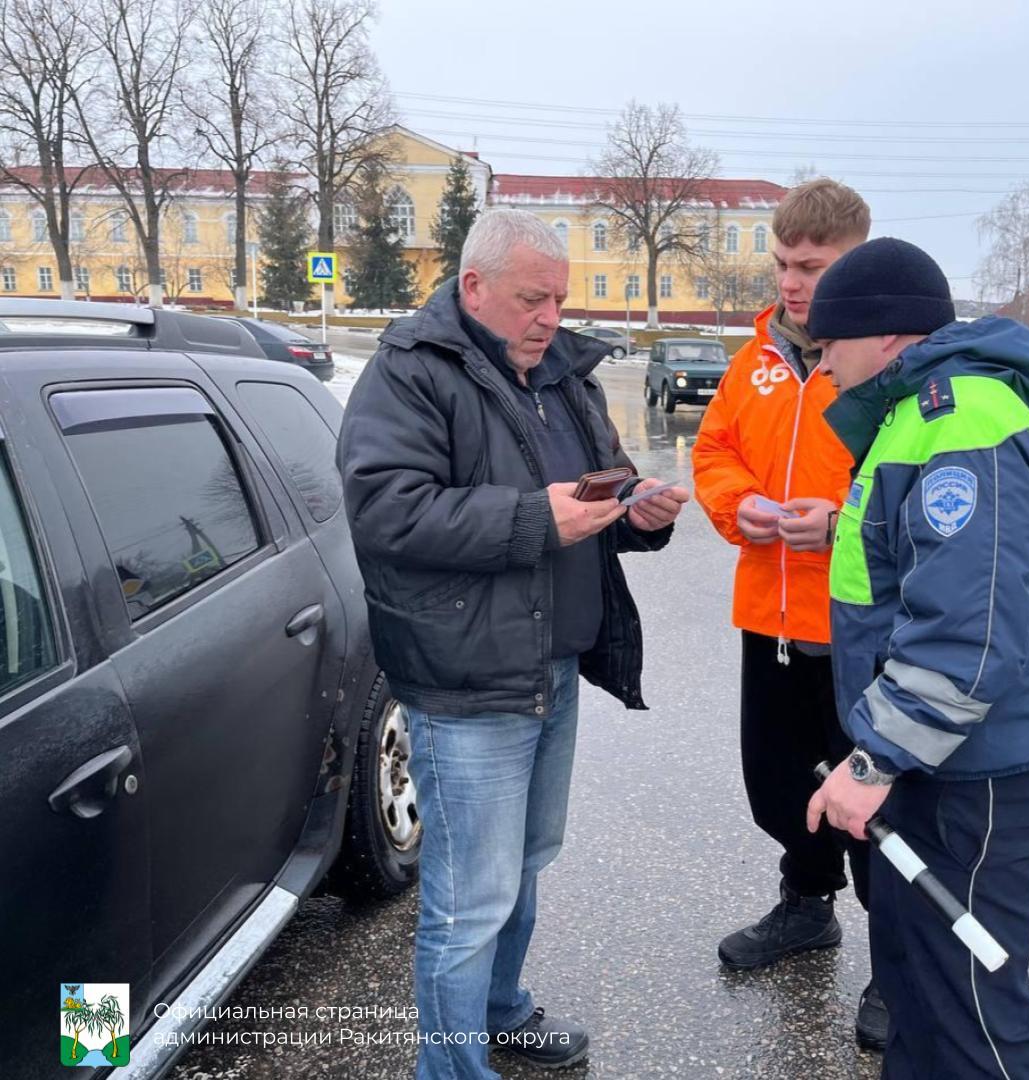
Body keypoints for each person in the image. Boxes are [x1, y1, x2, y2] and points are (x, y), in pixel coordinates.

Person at [337, 208, 689, 1080]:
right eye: (534, 298)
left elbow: (596, 488)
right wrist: (541, 517)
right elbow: (387, 510)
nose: (549, 317)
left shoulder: (565, 373)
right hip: (468, 684)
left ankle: (501, 1014)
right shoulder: (412, 372)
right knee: (468, 900)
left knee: (524, 868)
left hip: (551, 671)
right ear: (474, 287)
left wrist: (634, 512)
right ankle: (450, 1069)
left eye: (560, 300)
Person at [805, 237, 1029, 1079]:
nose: (819, 366)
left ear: (885, 335)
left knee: (980, 1021)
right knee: (922, 1002)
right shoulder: (912, 413)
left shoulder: (958, 417)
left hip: (979, 775)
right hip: (941, 766)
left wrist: (874, 758)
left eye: (827, 346)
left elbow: (970, 629)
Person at [691, 178, 888, 1048]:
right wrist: (744, 506)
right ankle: (807, 908)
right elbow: (714, 449)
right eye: (782, 263)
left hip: (855, 632)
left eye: (811, 266)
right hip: (766, 620)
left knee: (873, 804)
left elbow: (908, 497)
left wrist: (839, 526)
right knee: (778, 786)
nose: (791, 282)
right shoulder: (756, 359)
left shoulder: (883, 368)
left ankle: (899, 963)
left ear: (856, 262)